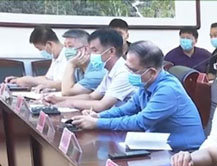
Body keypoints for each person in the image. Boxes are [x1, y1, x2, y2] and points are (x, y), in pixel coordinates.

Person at [70, 41, 205, 151]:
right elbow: (126, 109)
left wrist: (97, 123)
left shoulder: (167, 90)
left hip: (184, 151)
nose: (129, 73)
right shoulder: (146, 83)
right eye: (127, 68)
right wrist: (98, 116)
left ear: (152, 72)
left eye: (133, 70)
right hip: (161, 144)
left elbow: (140, 122)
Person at [44, 29, 136, 111]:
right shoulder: (111, 71)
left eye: (95, 50)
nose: (91, 54)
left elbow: (101, 105)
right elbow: (92, 96)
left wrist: (69, 103)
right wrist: (59, 100)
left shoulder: (123, 73)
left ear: (111, 51)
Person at [6, 26, 65, 90]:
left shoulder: (68, 56)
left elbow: (63, 84)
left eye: (40, 49)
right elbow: (48, 78)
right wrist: (20, 80)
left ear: (49, 44)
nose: (41, 52)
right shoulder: (56, 57)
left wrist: (30, 81)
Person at [59, 29, 107, 97]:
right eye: (65, 47)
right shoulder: (78, 66)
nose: (67, 51)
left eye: (70, 47)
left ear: (86, 49)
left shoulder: (97, 69)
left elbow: (66, 92)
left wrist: (70, 64)